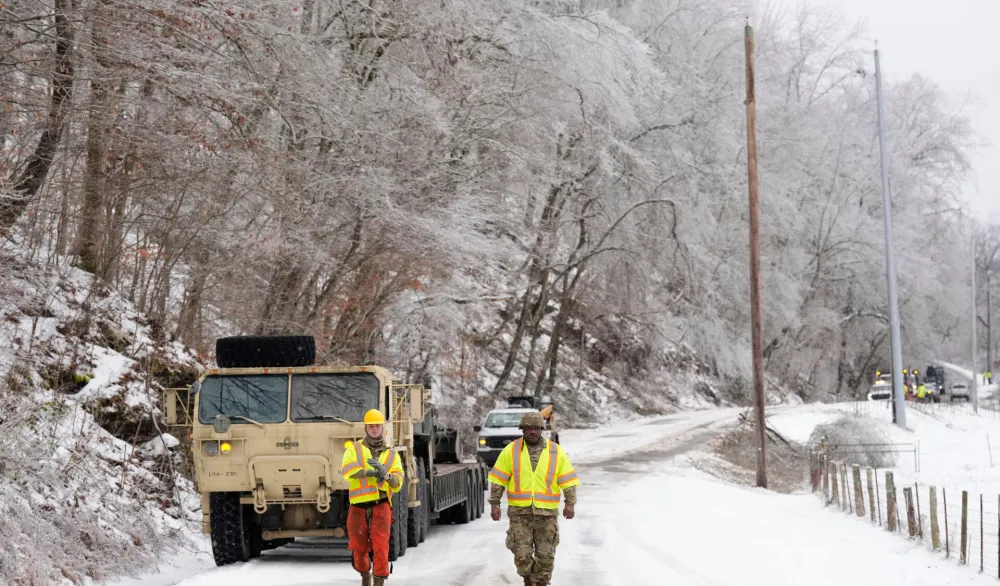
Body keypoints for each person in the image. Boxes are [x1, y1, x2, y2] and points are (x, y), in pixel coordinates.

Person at [488, 412, 579, 586]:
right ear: (522, 429)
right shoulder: (511, 450)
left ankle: (541, 583)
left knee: (546, 557)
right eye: (528, 428)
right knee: (522, 557)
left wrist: (570, 503)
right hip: (520, 514)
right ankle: (528, 580)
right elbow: (498, 480)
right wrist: (495, 504)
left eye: (536, 428)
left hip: (547, 515)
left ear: (541, 430)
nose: (532, 432)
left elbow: (568, 481)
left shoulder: (555, 451)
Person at [341, 409, 404, 586]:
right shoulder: (354, 449)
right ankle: (364, 576)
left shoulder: (392, 454)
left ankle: (378, 582)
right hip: (358, 507)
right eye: (371, 426)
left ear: (382, 427)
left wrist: (387, 475)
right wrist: (368, 473)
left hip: (381, 505)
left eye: (377, 426)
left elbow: (398, 483)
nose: (374, 429)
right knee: (358, 547)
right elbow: (346, 471)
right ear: (366, 428)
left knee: (381, 546)